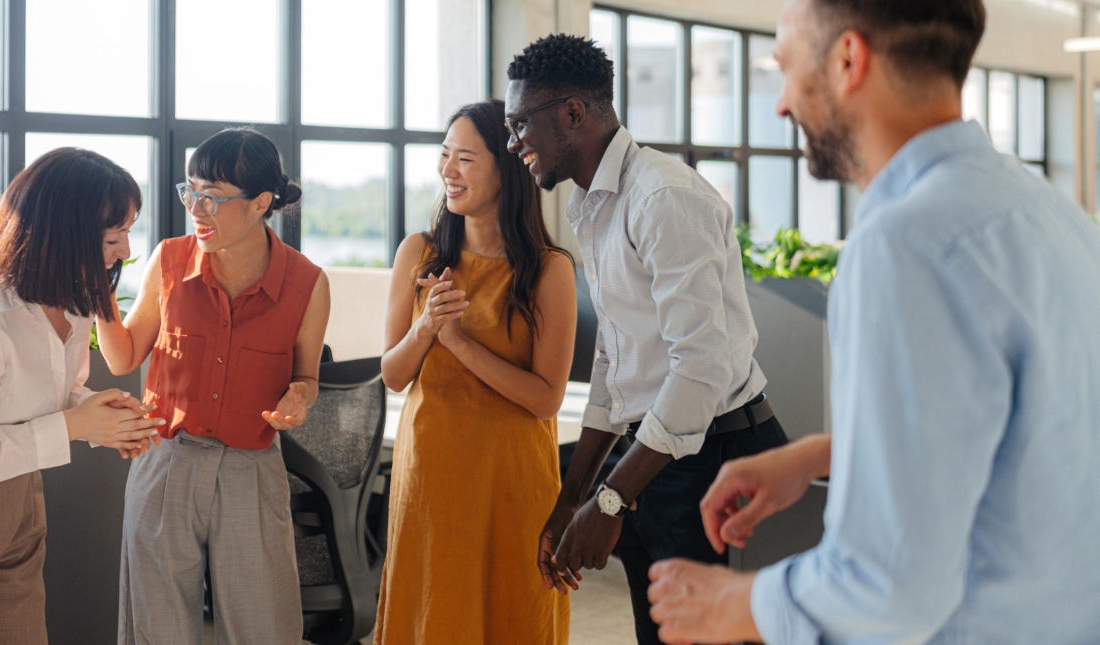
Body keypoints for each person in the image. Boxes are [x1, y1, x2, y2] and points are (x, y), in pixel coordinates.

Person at [646, 1, 1100, 644]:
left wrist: (734, 603)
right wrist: (830, 453)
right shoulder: (1049, 214)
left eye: (786, 68)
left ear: (849, 60)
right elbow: (1031, 430)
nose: (780, 104)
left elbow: (888, 585)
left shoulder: (905, 244)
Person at [503, 34, 790, 645]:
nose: (513, 143)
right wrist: (572, 495)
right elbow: (616, 358)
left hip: (719, 452)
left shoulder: (661, 197)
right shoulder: (594, 205)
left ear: (572, 114)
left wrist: (608, 502)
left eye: (520, 123)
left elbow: (699, 370)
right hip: (657, 454)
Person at [0, 147, 165, 644]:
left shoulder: (72, 302)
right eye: (113, 236)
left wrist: (95, 414)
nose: (126, 251)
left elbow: (47, 394)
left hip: (16, 492)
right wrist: (76, 426)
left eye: (129, 231)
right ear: (63, 236)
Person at [97, 126, 331, 645]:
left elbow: (306, 378)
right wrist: (96, 291)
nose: (196, 210)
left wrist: (300, 398)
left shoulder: (307, 283)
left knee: (263, 626)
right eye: (190, 191)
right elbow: (123, 356)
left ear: (261, 203)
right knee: (157, 627)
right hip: (165, 461)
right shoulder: (170, 259)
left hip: (250, 471)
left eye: (212, 198)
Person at [374, 100, 577, 644]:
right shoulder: (418, 253)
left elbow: (545, 399)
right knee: (434, 620)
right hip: (431, 484)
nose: (448, 171)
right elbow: (393, 375)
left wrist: (458, 342)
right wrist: (425, 331)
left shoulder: (549, 269)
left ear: (506, 167)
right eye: (444, 156)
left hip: (513, 486)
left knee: (511, 621)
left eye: (465, 158)